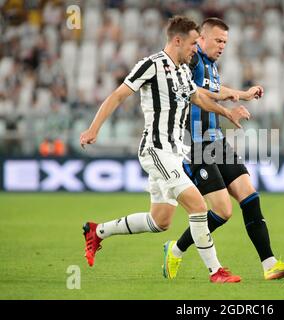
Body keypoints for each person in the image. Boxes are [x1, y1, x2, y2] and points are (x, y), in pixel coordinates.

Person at [80, 16, 251, 283]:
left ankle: (97, 231)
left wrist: (227, 112)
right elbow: (118, 95)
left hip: (175, 151)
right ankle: (216, 271)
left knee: (160, 221)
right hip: (156, 150)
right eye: (194, 43)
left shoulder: (183, 70)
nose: (197, 49)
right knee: (197, 205)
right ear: (178, 40)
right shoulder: (151, 65)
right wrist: (93, 129)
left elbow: (199, 98)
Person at [163, 18, 284, 281]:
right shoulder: (192, 61)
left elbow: (215, 89)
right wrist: (233, 102)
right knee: (222, 211)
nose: (222, 46)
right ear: (201, 39)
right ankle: (176, 248)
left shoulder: (211, 66)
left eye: (225, 42)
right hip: (196, 146)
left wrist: (243, 95)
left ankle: (270, 264)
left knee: (250, 196)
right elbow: (195, 90)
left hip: (217, 142)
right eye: (218, 41)